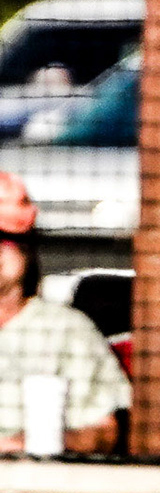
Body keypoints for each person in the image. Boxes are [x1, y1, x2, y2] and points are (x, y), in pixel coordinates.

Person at [0, 172, 128, 454]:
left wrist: (31, 444)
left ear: (27, 248)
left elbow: (104, 432)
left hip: (34, 476)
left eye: (6, 238)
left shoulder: (68, 331)